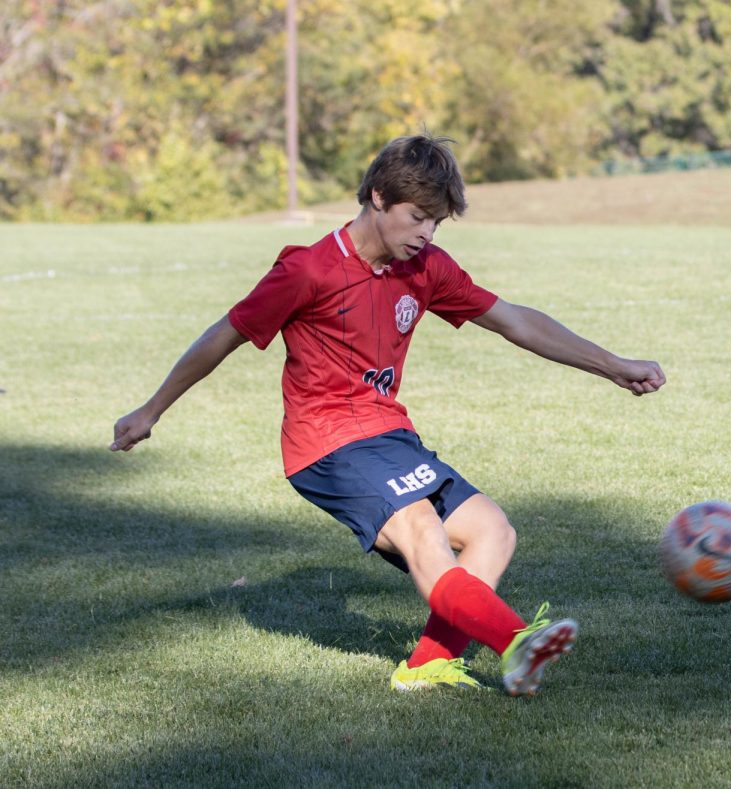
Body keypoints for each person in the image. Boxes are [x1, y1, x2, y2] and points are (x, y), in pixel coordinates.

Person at [109, 134, 666, 696]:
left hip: (388, 434)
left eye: (437, 223)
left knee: (492, 531)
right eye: (417, 217)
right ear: (378, 197)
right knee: (422, 527)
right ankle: (517, 640)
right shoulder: (307, 270)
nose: (426, 233)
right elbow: (223, 336)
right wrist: (151, 409)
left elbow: (514, 321)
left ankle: (426, 663)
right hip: (324, 442)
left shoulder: (426, 267)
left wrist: (611, 365)